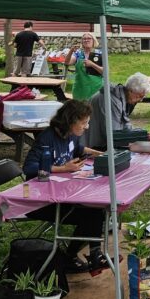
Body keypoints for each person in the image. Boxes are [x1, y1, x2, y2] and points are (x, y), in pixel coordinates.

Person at [22, 99, 107, 270]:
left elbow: (78, 149)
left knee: (97, 208)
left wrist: (100, 154)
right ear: (71, 120)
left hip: (62, 195)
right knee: (92, 214)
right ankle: (73, 257)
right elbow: (29, 168)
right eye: (84, 123)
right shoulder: (46, 138)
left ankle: (93, 254)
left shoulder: (70, 135)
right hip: (42, 201)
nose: (86, 127)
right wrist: (62, 168)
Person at [86, 72, 150, 149]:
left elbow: (124, 125)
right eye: (139, 96)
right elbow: (114, 134)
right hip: (92, 145)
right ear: (131, 91)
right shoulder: (113, 100)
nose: (140, 100)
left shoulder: (120, 96)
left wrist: (142, 134)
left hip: (98, 143)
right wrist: (138, 137)